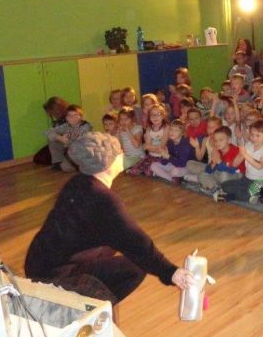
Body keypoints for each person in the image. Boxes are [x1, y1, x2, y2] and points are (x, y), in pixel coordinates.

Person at [24, 132, 195, 305]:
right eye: (119, 151)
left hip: (38, 262)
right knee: (136, 267)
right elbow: (136, 242)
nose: (123, 154)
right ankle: (93, 309)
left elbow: (121, 235)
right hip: (55, 275)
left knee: (112, 243)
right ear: (109, 163)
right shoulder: (102, 198)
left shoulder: (77, 182)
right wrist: (171, 272)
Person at [47, 104, 92, 172]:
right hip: (70, 150)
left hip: (82, 152)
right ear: (66, 117)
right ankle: (58, 162)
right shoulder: (66, 126)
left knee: (66, 168)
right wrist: (60, 138)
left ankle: (73, 165)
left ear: (81, 117)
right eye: (69, 115)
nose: (72, 117)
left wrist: (67, 141)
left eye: (75, 115)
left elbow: (79, 143)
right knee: (52, 140)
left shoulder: (85, 126)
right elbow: (48, 132)